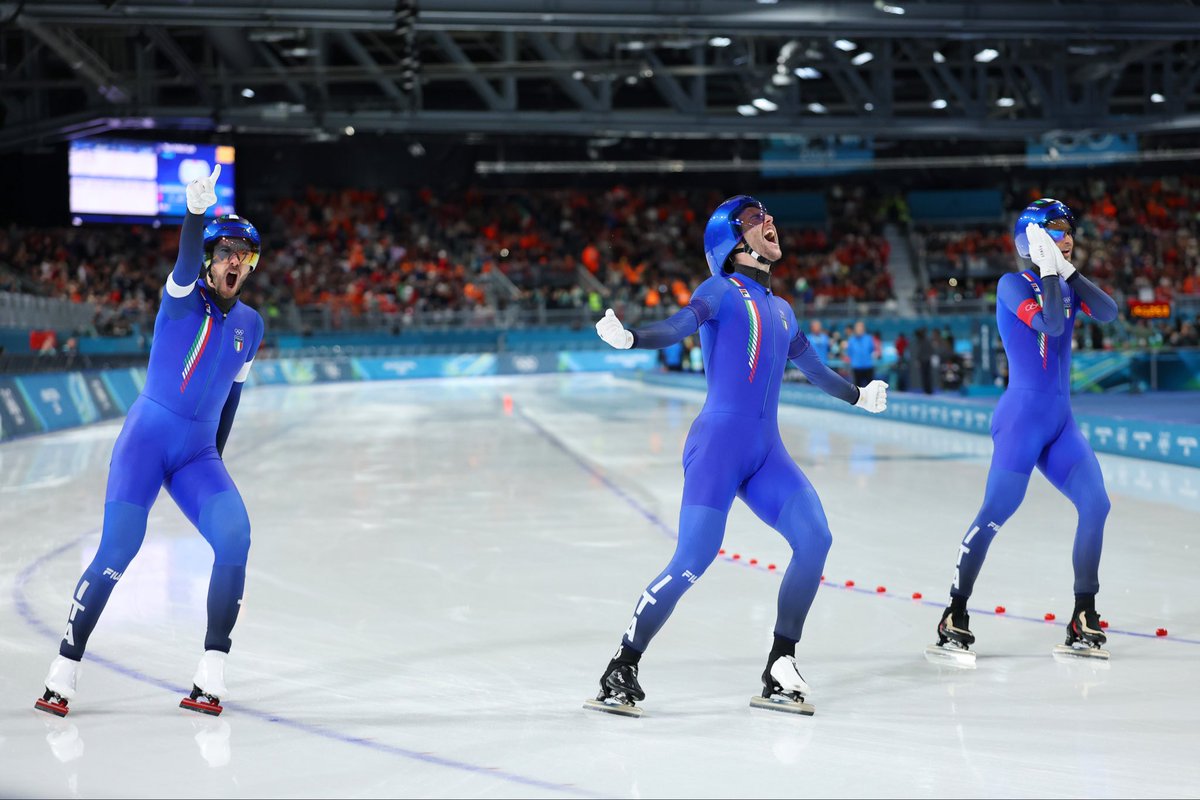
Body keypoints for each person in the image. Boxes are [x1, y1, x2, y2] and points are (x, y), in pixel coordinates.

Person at [587, 195, 889, 716]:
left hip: (766, 452)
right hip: (718, 448)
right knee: (694, 559)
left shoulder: (783, 309)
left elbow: (815, 370)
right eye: (755, 220)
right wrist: (632, 338)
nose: (769, 222)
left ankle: (780, 660)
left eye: (769, 215)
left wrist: (857, 396)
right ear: (730, 242)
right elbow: (677, 327)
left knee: (815, 539)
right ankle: (623, 663)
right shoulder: (720, 291)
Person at [35, 164, 266, 717]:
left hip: (197, 455)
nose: (235, 262)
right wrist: (193, 214)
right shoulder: (183, 296)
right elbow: (186, 256)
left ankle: (212, 669)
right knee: (119, 549)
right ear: (211, 260)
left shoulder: (252, 326)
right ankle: (63, 668)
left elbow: (231, 398)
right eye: (226, 252)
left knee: (235, 536)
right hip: (145, 440)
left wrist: (213, 463)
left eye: (245, 256)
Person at [928, 198, 1119, 665]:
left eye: (1070, 230)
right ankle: (954, 610)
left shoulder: (1064, 282)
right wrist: (1053, 274)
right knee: (997, 510)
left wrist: (1067, 273)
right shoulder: (1012, 285)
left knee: (1096, 504)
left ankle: (1083, 613)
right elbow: (1052, 324)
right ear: (1032, 238)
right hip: (1020, 420)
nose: (1068, 237)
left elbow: (1110, 312)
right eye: (1056, 230)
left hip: (1059, 422)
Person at [845, 320, 876, 386]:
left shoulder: (869, 338)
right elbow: (849, 353)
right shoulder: (851, 340)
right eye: (857, 328)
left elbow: (871, 350)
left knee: (870, 388)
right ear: (855, 329)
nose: (859, 329)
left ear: (863, 329)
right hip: (856, 367)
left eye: (860, 327)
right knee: (857, 389)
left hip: (868, 367)